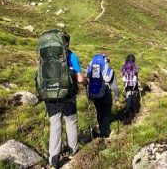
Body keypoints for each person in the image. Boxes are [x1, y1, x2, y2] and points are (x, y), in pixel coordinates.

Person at [45, 32, 87, 168]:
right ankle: (72, 150)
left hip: (51, 96)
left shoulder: (46, 56)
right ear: (67, 42)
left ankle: (54, 158)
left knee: (55, 125)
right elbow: (79, 79)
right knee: (70, 121)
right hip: (68, 95)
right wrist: (86, 81)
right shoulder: (70, 55)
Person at [86, 54, 119, 138]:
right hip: (105, 93)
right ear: (106, 61)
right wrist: (116, 96)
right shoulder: (108, 70)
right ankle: (103, 133)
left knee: (99, 111)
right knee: (107, 113)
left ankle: (101, 129)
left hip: (94, 93)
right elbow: (114, 86)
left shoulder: (92, 68)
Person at [121, 54, 140, 124]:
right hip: (134, 86)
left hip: (127, 86)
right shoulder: (135, 65)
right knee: (134, 100)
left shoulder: (124, 66)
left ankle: (126, 116)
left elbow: (122, 73)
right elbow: (137, 72)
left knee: (128, 100)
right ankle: (133, 115)